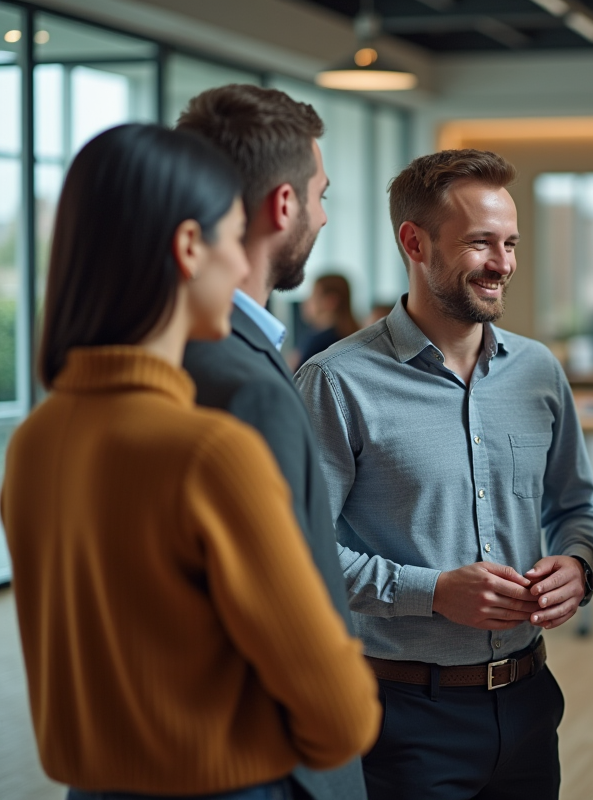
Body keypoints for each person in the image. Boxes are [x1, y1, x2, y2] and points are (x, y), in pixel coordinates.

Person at [1, 123, 379, 799]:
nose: (243, 267)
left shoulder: (35, 440)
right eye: (234, 238)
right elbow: (341, 712)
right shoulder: (208, 453)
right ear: (187, 248)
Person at [295, 148, 593, 800]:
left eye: (511, 243)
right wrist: (431, 591)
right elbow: (300, 554)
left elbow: (578, 506)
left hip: (529, 705)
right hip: (401, 715)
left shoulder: (540, 373)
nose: (503, 264)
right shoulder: (336, 381)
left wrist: (577, 565)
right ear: (414, 241)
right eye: (480, 244)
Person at [175, 84, 370, 800]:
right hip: (270, 768)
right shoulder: (243, 381)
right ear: (282, 205)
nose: (322, 214)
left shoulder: (165, 352)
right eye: (321, 194)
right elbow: (295, 608)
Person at [299, 273, 360, 366]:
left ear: (330, 301)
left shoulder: (320, 342)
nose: (306, 302)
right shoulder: (355, 336)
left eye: (313, 296)